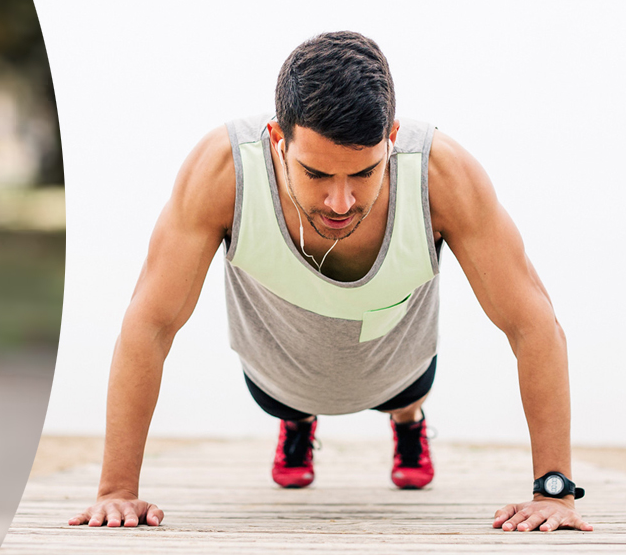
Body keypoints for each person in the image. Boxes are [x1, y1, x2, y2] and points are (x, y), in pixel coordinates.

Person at [69, 31, 592, 533]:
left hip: (399, 370)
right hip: (279, 377)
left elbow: (534, 325)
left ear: (391, 138)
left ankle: (408, 423)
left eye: (363, 173)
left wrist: (554, 492)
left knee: (405, 392)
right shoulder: (223, 170)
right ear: (277, 140)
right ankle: (297, 425)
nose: (340, 203)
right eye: (317, 175)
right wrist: (116, 490)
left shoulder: (441, 174)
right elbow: (151, 324)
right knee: (289, 402)